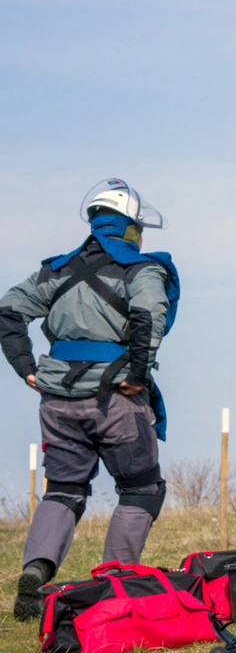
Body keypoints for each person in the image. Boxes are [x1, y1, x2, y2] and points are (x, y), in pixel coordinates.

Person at [1, 181, 179, 620]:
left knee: (63, 489)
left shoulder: (55, 270)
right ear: (131, 227)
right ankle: (115, 583)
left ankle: (36, 571)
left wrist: (26, 367)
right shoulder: (143, 270)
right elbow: (149, 315)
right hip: (115, 398)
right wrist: (137, 374)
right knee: (141, 488)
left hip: (56, 399)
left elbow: (8, 311)